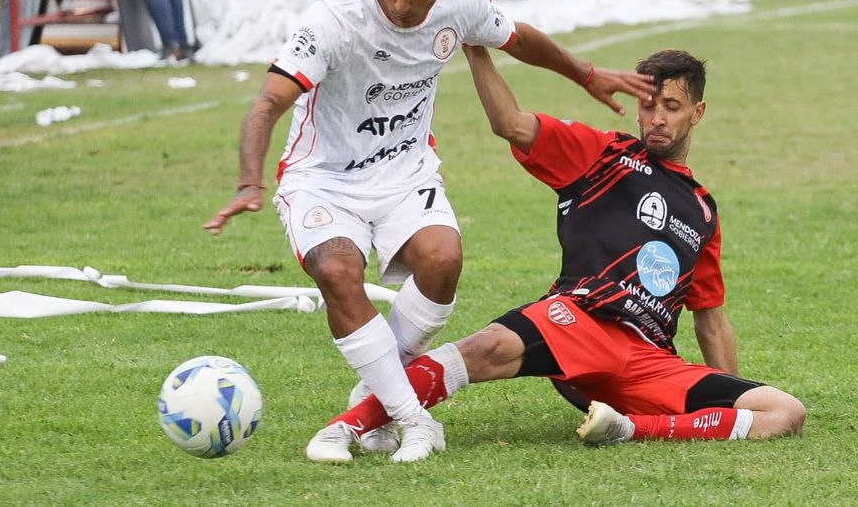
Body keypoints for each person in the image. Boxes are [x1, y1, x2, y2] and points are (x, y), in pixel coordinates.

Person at [203, 0, 655, 464]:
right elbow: (269, 100)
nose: (399, 4)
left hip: (404, 173)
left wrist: (586, 74)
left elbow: (518, 38)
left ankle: (373, 399)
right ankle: (414, 420)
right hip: (323, 180)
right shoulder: (333, 18)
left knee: (443, 261)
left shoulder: (459, 1)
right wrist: (250, 181)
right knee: (339, 271)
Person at [304, 44, 807, 463]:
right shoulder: (604, 154)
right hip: (579, 321)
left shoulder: (702, 211)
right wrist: (478, 48)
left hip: (647, 358)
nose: (656, 118)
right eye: (649, 105)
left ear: (697, 113)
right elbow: (511, 123)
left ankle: (630, 429)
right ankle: (344, 428)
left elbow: (711, 320)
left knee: (784, 411)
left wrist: (728, 385)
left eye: (671, 107)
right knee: (483, 348)